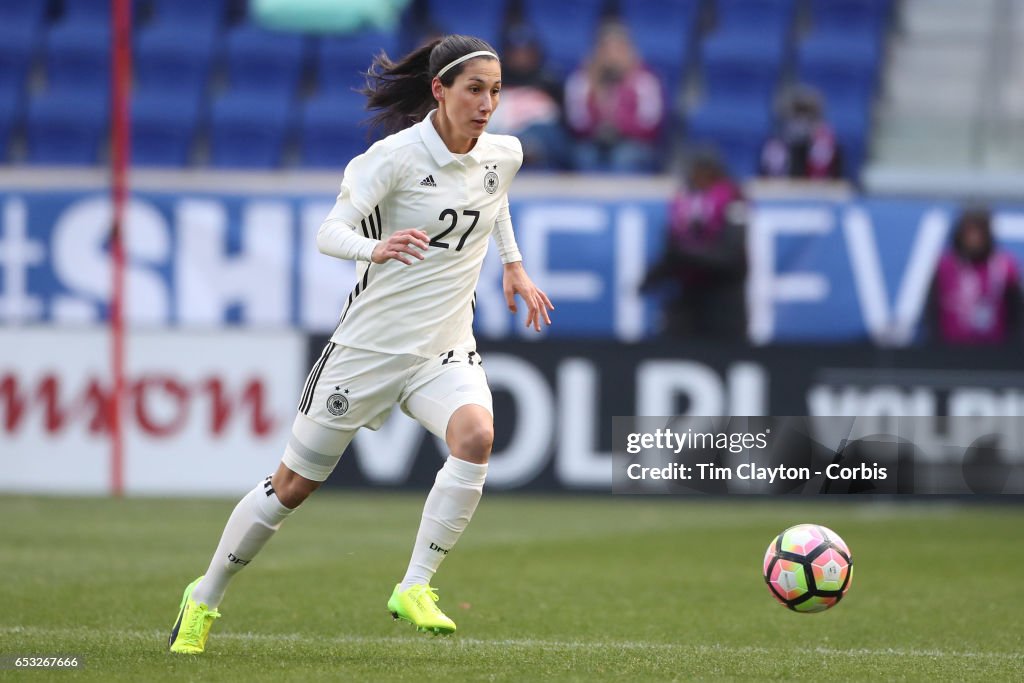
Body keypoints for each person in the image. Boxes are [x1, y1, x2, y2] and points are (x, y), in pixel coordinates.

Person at [167, 34, 554, 654]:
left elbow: (492, 195)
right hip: (366, 351)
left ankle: (415, 585)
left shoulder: (502, 154)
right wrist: (375, 247)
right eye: (475, 90)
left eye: (496, 92)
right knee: (291, 488)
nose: (487, 104)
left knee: (477, 436)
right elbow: (329, 231)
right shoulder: (392, 159)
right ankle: (205, 595)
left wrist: (513, 264)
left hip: (443, 349)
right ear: (440, 90)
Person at [640, 152, 748, 339]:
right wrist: (652, 277)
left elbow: (731, 256)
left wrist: (686, 255)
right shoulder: (683, 202)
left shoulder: (732, 199)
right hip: (688, 294)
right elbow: (672, 248)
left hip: (722, 297)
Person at [564, 20, 664, 173]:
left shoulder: (645, 80)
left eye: (618, 49)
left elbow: (650, 126)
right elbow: (577, 123)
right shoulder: (581, 80)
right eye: (606, 50)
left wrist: (619, 126)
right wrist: (597, 95)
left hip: (633, 143)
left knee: (623, 157)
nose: (612, 56)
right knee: (583, 156)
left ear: (629, 50)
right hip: (593, 142)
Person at [927, 207, 1022, 345]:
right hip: (950, 353)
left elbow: (1017, 316)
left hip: (995, 354)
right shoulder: (944, 267)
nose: (974, 238)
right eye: (969, 231)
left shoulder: (1005, 267)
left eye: (979, 231)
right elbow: (931, 315)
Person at [759, 86, 842, 180]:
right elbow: (763, 185)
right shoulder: (772, 149)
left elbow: (841, 187)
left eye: (808, 117)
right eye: (796, 116)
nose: (801, 123)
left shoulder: (833, 151)